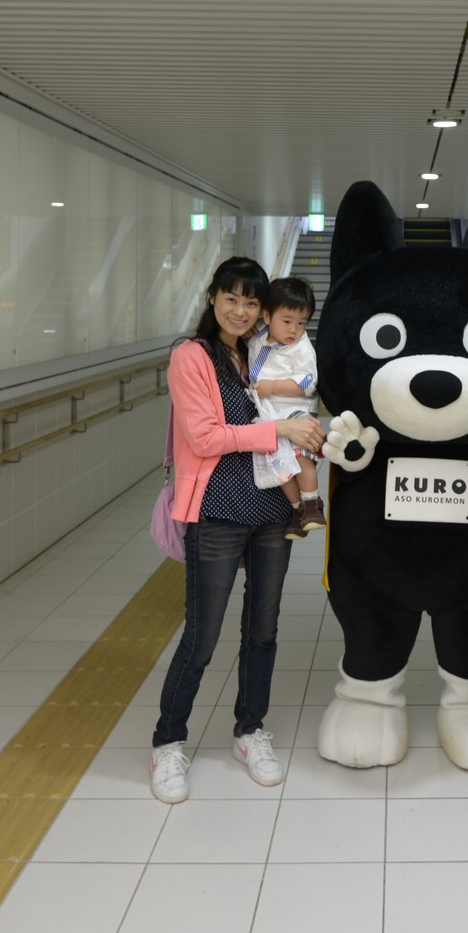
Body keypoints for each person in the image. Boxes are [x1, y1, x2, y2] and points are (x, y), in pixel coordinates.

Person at [152, 256, 327, 804]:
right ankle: (167, 743)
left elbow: (298, 396)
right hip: (218, 512)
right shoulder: (192, 356)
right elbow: (205, 437)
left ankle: (250, 730)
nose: (241, 310)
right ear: (213, 298)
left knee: (263, 630)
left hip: (273, 509)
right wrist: (282, 430)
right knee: (201, 637)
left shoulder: (260, 348)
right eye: (232, 298)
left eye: (252, 302)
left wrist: (305, 432)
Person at [247, 276, 325, 541]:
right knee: (279, 466)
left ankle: (312, 504)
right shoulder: (257, 340)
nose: (295, 329)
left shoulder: (301, 348)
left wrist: (273, 386)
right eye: (288, 321)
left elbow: (307, 382)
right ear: (267, 316)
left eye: (302, 323)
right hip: (269, 415)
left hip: (296, 411)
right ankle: (297, 509)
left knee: (300, 456)